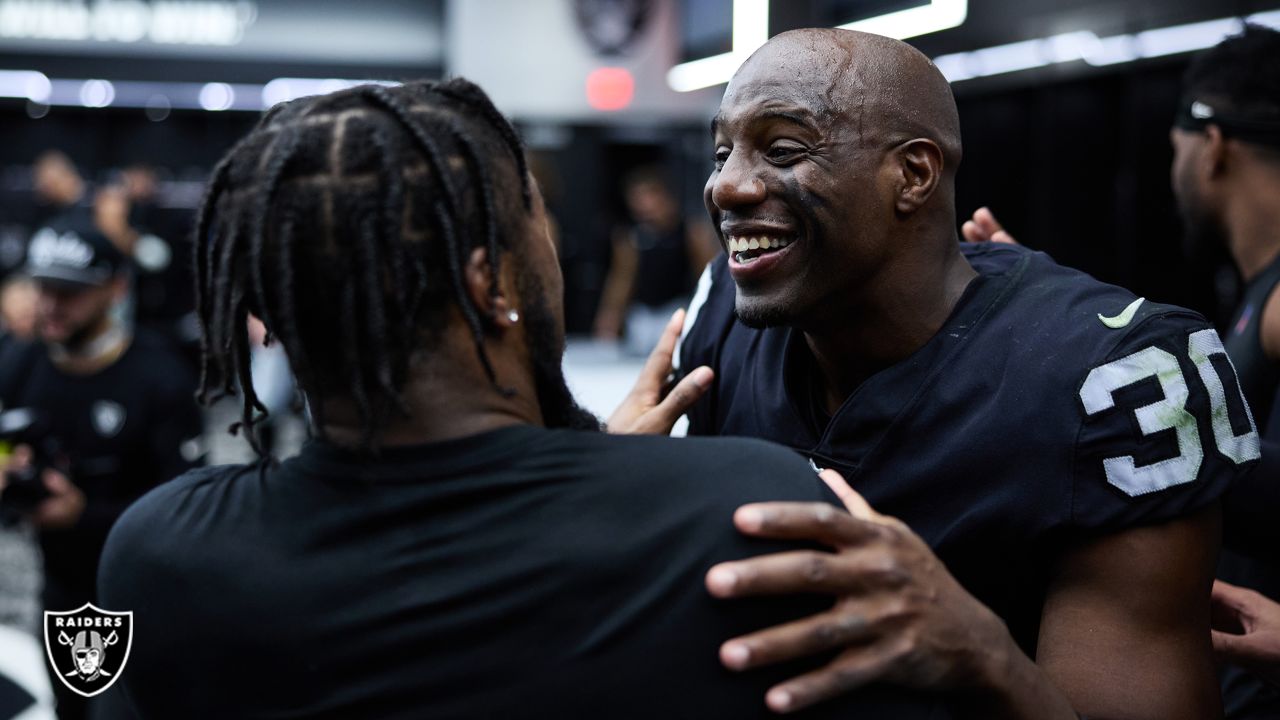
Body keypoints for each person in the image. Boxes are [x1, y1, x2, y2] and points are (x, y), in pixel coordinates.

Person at [101, 79, 1082, 719]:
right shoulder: (749, 510)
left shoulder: (160, 553)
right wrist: (983, 646)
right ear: (491, 284)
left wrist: (597, 460)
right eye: (535, 213)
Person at [669, 28, 1254, 718]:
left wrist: (982, 652)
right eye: (720, 152)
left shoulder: (1111, 379)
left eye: (784, 149)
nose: (726, 185)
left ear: (913, 175)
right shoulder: (729, 310)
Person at [962, 26, 1280, 718]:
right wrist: (1065, 325)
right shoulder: (1255, 295)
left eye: (1173, 153)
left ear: (1212, 145)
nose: (1174, 173)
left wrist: (1151, 418)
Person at [0, 221, 203, 720]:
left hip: (142, 593)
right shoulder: (21, 363)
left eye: (69, 292)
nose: (51, 304)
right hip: (60, 585)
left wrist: (83, 514)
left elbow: (188, 511)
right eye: (43, 288)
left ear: (117, 287)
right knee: (70, 706)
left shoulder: (160, 377)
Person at [594, 166, 716, 353]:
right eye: (635, 199)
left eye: (646, 197)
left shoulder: (690, 231)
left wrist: (711, 312)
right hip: (642, 313)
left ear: (664, 197)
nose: (641, 206)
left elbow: (706, 273)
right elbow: (622, 278)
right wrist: (610, 315)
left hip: (676, 308)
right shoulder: (630, 236)